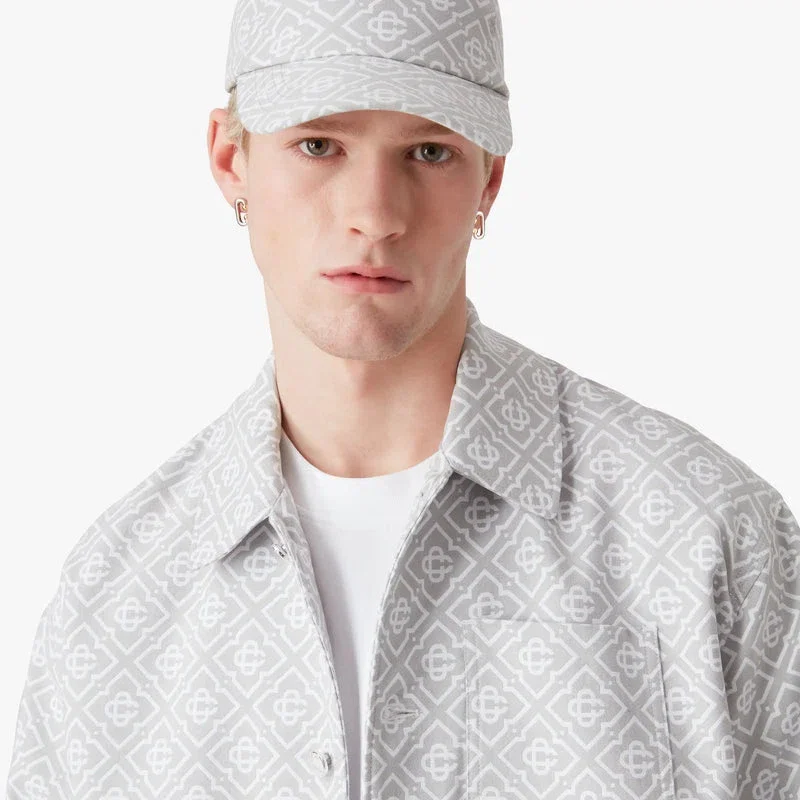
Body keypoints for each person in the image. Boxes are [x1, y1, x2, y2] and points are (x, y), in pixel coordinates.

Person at [6, 1, 799, 798]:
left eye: (429, 151)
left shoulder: (705, 539)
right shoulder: (115, 599)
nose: (375, 215)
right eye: (318, 145)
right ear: (229, 160)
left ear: (489, 179)